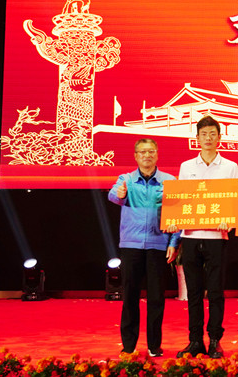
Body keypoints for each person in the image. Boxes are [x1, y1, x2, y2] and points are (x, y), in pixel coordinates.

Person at [166, 115, 238, 359]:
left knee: (216, 291)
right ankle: (195, 340)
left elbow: (233, 201)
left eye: (212, 134)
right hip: (190, 235)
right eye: (203, 134)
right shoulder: (187, 167)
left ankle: (215, 340)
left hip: (217, 237)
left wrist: (229, 220)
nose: (208, 138)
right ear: (197, 138)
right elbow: (181, 200)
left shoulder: (230, 166)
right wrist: (175, 224)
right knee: (194, 292)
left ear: (219, 138)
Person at [108, 138, 176, 358]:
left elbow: (177, 215)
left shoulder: (169, 181)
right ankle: (128, 346)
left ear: (157, 155)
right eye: (143, 152)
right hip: (132, 245)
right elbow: (113, 195)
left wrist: (173, 243)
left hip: (158, 244)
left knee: (156, 298)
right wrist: (119, 194)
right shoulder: (126, 179)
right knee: (130, 296)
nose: (147, 155)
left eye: (151, 151)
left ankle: (154, 345)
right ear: (136, 156)